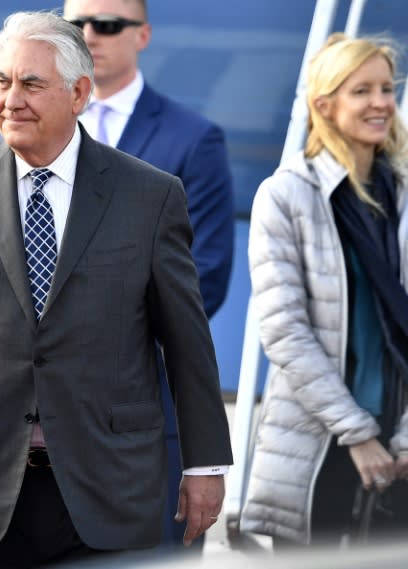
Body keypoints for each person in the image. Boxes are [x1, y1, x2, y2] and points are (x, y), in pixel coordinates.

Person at [0, 10, 232, 569]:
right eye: (2, 81)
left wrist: (205, 464)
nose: (12, 99)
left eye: (31, 84)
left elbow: (188, 341)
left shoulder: (149, 196)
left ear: (79, 94)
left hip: (114, 485)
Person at [62, 0, 235, 549]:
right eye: (76, 24)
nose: (90, 35)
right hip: (43, 419)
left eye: (108, 24)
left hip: (146, 407)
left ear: (143, 36)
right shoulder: (28, 124)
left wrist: (89, 333)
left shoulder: (192, 139)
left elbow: (205, 276)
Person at [241, 33, 408, 547]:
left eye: (386, 88)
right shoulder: (286, 195)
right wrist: (356, 433)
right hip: (317, 436)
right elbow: (284, 331)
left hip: (397, 427)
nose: (380, 102)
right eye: (361, 91)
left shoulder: (402, 194)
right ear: (324, 105)